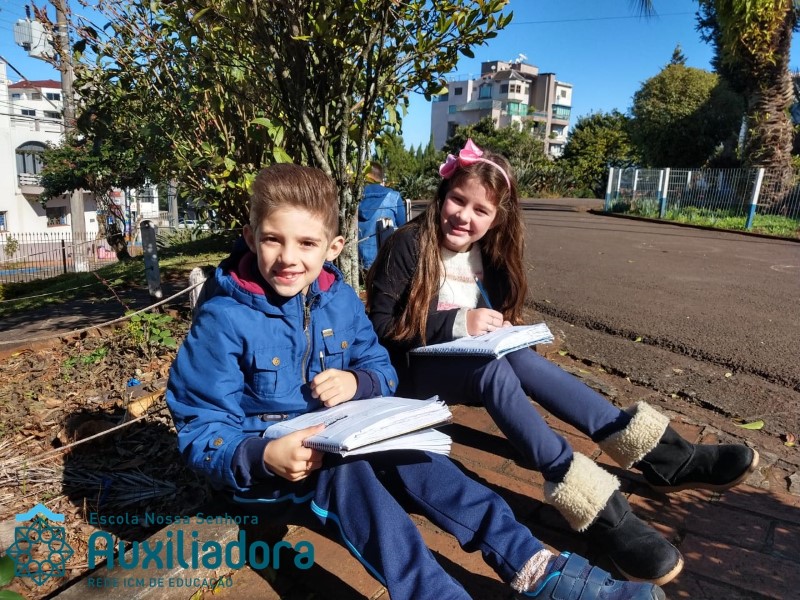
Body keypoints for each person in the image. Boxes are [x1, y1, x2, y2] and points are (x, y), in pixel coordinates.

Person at [166, 163, 665, 600]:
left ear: (333, 247)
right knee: (354, 483)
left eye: (307, 243)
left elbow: (380, 366)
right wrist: (260, 455)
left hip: (344, 435)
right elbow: (199, 425)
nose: (288, 257)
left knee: (421, 458)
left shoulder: (337, 298)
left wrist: (358, 383)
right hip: (269, 473)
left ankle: (536, 567)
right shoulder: (224, 318)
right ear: (251, 236)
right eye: (273, 239)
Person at [365, 139, 759, 587]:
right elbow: (381, 325)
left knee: (519, 359)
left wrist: (502, 330)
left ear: (498, 218)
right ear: (442, 195)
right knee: (493, 371)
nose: (463, 216)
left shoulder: (490, 255)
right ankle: (595, 505)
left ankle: (661, 456)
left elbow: (498, 320)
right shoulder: (409, 244)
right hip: (410, 373)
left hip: (467, 362)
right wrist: (457, 322)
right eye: (458, 200)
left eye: (481, 210)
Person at [358, 161, 407, 273]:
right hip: (384, 262)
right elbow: (404, 229)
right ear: (381, 178)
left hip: (357, 262)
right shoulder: (393, 197)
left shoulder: (355, 199)